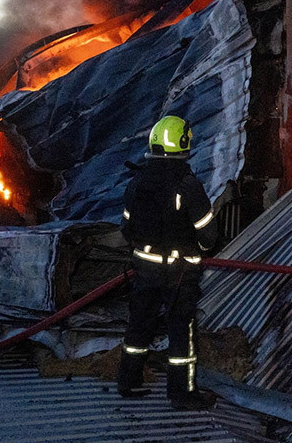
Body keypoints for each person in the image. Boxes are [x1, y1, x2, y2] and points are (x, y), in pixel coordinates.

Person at [117, 115, 219, 411]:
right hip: (179, 272)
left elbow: (126, 228)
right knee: (181, 332)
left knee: (139, 325)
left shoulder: (137, 182)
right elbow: (209, 236)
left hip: (145, 268)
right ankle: (182, 393)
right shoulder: (188, 185)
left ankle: (128, 381)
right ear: (184, 143)